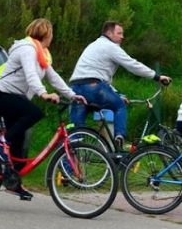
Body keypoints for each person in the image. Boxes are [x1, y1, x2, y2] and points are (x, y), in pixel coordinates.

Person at [0, 18, 86, 200]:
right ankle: (2, 141)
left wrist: (72, 95)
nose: (52, 38)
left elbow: (52, 76)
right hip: (1, 95)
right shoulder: (26, 49)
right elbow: (30, 74)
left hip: (15, 97)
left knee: (19, 140)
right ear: (46, 34)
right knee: (35, 113)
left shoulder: (42, 53)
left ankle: (13, 183)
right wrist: (43, 94)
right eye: (51, 34)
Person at [69, 21, 172, 150]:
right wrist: (156, 77)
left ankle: (65, 166)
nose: (122, 36)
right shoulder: (111, 47)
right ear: (109, 33)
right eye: (119, 33)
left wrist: (116, 94)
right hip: (94, 87)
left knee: (75, 134)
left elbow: (100, 77)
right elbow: (132, 65)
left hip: (74, 89)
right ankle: (119, 138)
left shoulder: (93, 45)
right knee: (119, 105)